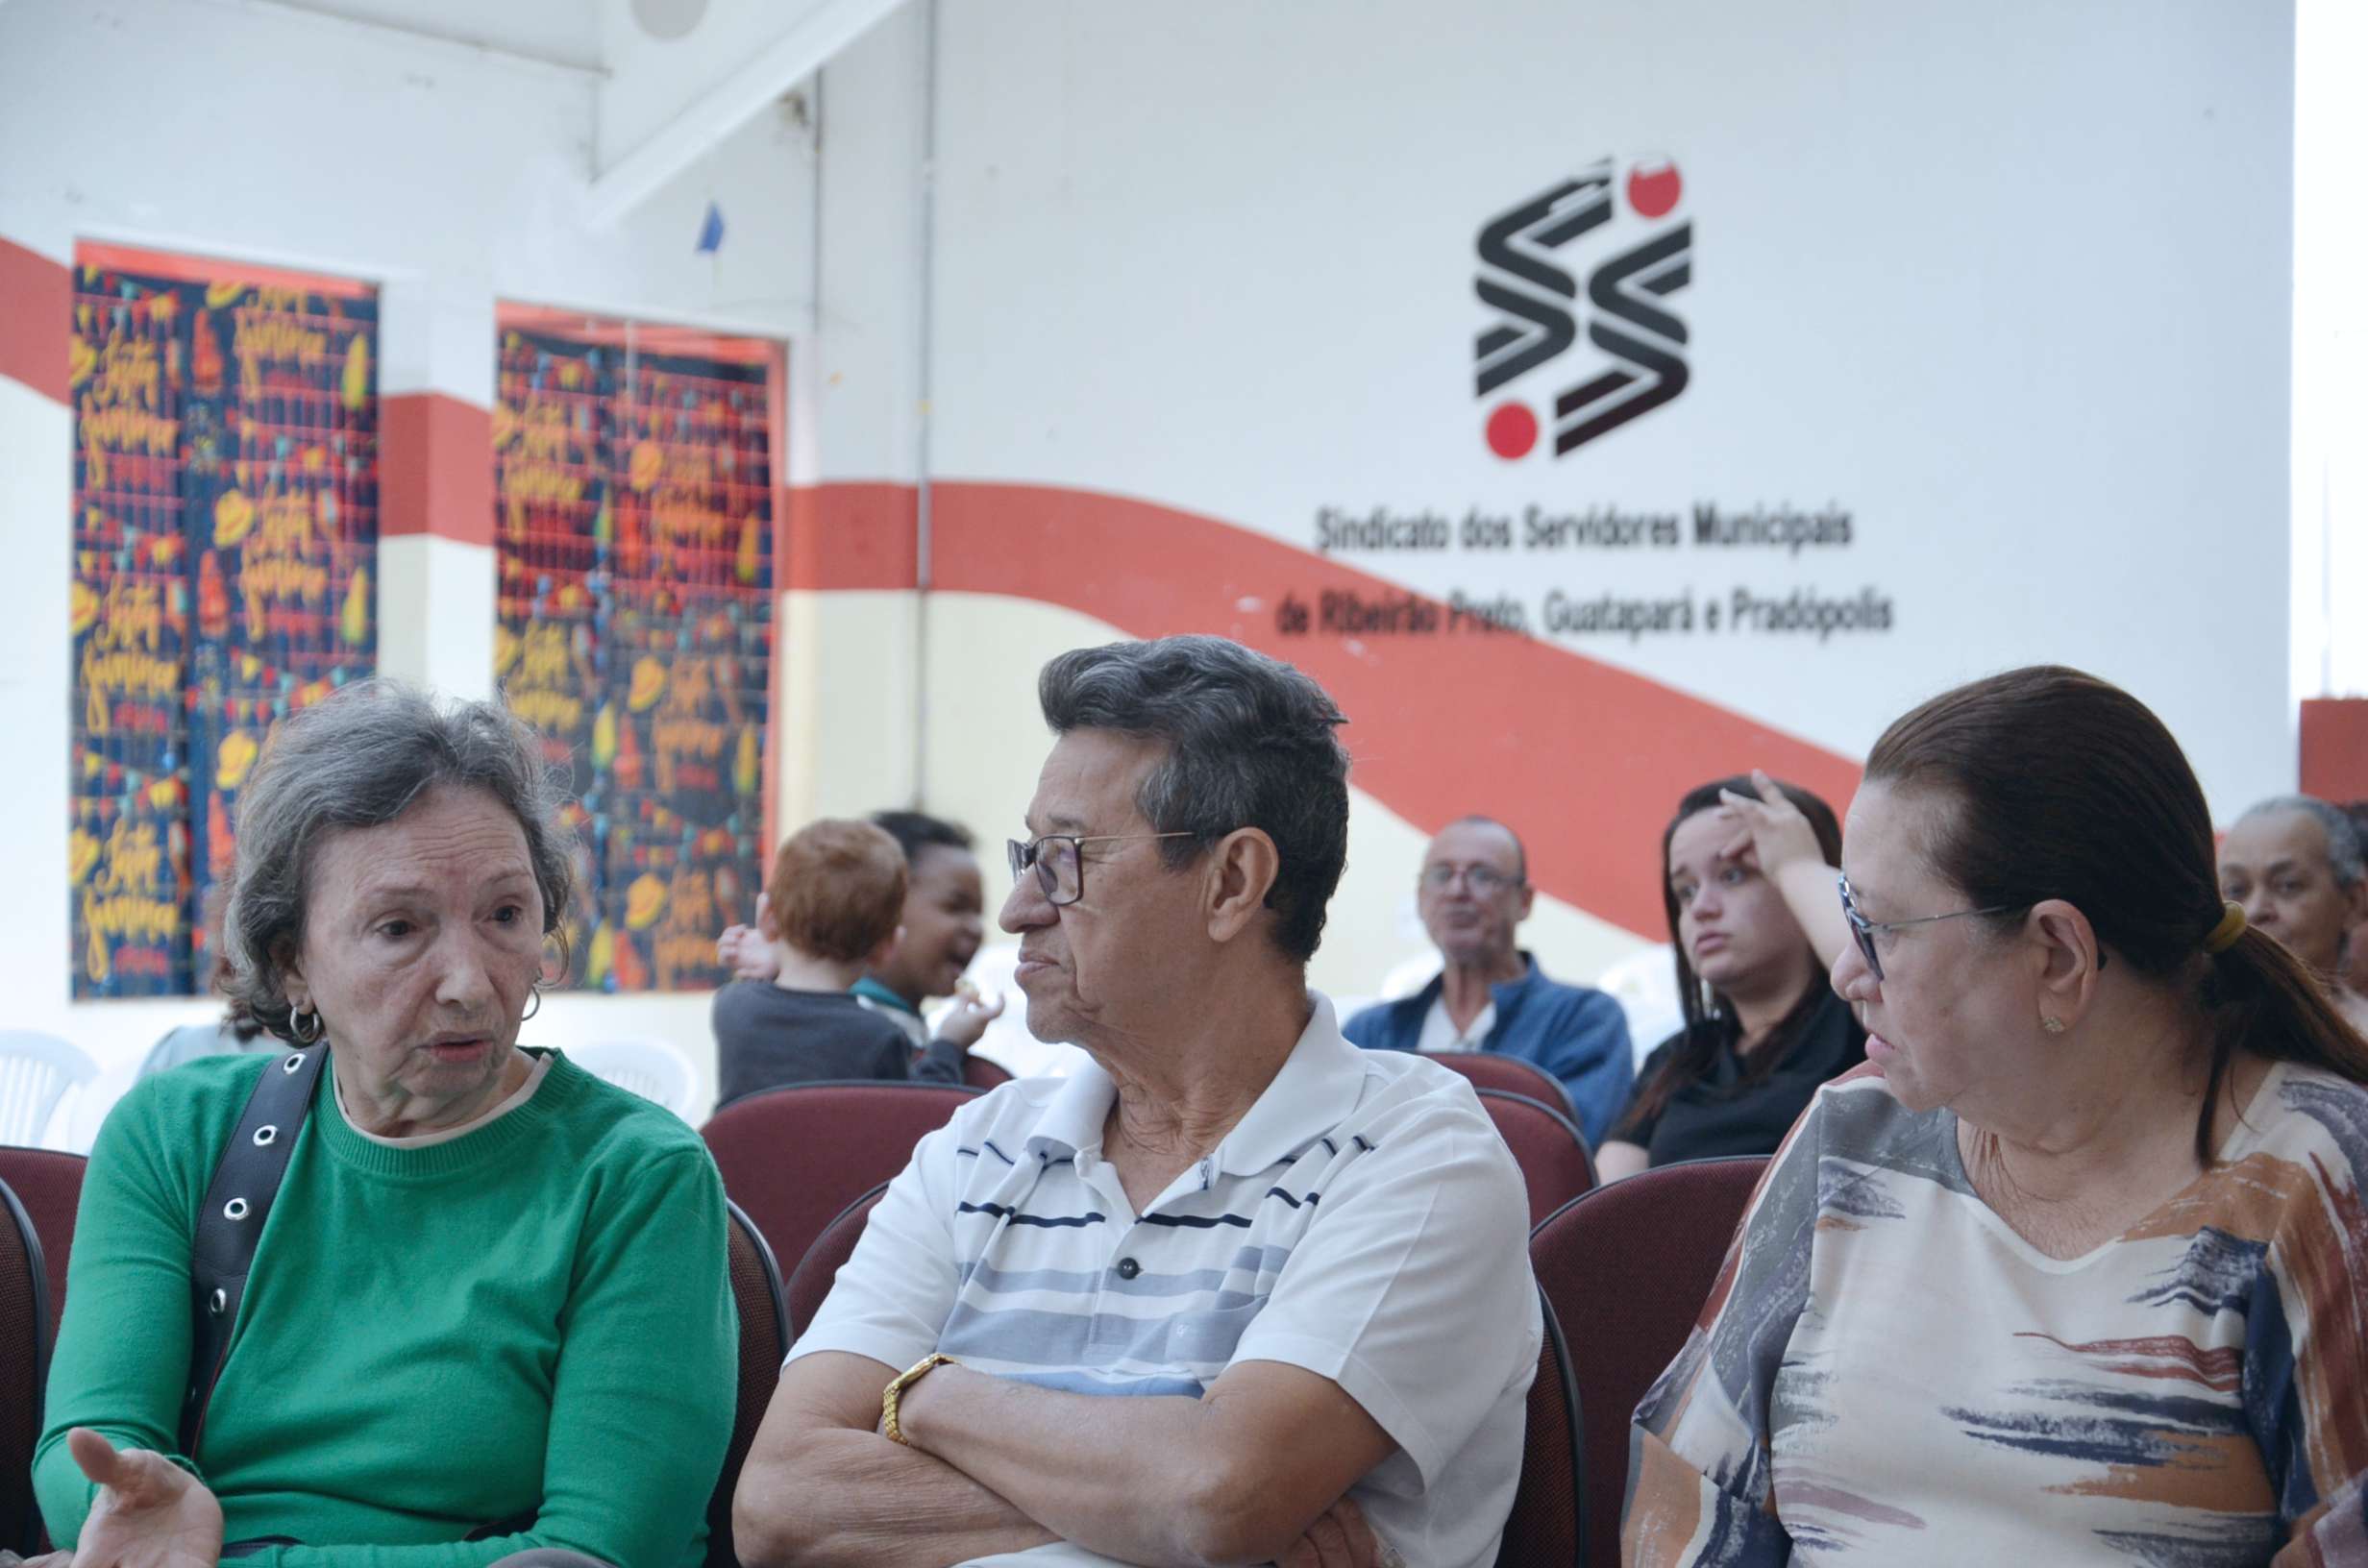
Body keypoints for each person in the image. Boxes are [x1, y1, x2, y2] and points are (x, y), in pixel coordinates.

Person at [733, 635, 1541, 1568]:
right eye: (1029, 854)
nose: (1017, 909)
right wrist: (1161, 1503)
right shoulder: (975, 1149)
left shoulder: (1416, 1153)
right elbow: (779, 1504)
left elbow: (1216, 1495)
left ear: (1231, 884)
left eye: (1064, 857)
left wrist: (922, 1397)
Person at [1626, 666, 2368, 1566]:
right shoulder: (1852, 1133)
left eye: (1880, 929)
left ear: (2058, 954)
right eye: (1847, 913)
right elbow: (1695, 1493)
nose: (1847, 972)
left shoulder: (2315, 1178)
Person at [34, 681, 735, 1568]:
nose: (469, 984)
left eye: (505, 915)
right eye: (400, 928)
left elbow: (599, 1550)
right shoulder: (176, 1134)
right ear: (292, 962)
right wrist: (118, 1515)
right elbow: (91, 1460)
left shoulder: (635, 1174)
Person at [1593, 772, 1861, 1181]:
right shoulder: (1677, 1058)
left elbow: (1879, 973)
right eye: (1685, 891)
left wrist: (1798, 864)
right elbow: (1605, 1205)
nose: (1701, 907)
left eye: (1733, 875)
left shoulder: (1870, 1024)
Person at [1343, 816, 1633, 1143]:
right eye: (1442, 875)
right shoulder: (1369, 1033)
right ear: (1421, 898)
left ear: (1524, 901)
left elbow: (1559, 1150)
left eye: (1482, 875)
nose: (1457, 891)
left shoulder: (1583, 1021)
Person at [710, 818, 995, 1103]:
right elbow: (920, 1112)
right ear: (887, 946)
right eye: (955, 906)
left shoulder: (731, 1005)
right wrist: (948, 1044)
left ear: (766, 917)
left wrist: (778, 956)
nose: (977, 928)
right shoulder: (880, 1038)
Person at [2219, 794, 2368, 1033]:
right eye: (2236, 889)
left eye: (2287, 885)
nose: (2255, 910)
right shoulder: (2187, 1033)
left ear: (2352, 902)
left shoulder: (2360, 1041)